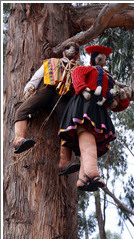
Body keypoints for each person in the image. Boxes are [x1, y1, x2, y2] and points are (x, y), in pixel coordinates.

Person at [58, 45, 134, 191]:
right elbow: (77, 74)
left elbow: (114, 103)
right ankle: (93, 173)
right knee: (88, 139)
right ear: (93, 58)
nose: (103, 61)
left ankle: (83, 178)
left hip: (98, 108)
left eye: (105, 59)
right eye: (101, 58)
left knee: (87, 141)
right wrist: (83, 89)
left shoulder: (108, 78)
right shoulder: (88, 69)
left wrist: (123, 99)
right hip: (84, 106)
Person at [13, 42, 81, 175]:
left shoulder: (78, 69)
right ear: (63, 52)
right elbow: (39, 75)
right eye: (68, 48)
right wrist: (30, 86)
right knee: (23, 110)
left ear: (77, 55)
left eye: (74, 50)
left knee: (67, 127)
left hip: (63, 98)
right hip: (46, 90)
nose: (71, 51)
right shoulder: (52, 62)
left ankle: (64, 161)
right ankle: (18, 139)